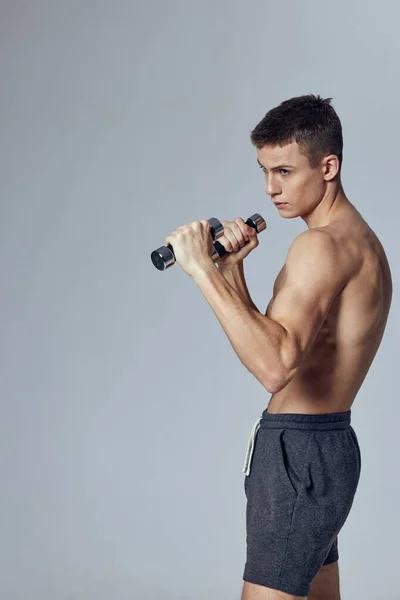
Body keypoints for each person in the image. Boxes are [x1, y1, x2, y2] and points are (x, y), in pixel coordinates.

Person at [164, 94, 392, 600]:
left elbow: (274, 368)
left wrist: (201, 269)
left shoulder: (320, 246)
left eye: (285, 171)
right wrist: (233, 272)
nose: (271, 189)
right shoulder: (361, 241)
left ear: (328, 166)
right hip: (327, 445)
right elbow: (281, 343)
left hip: (298, 452)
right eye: (265, 171)